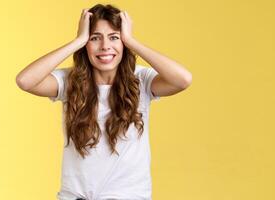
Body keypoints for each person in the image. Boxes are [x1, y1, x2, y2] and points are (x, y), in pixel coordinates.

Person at [16, 4, 192, 200]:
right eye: (95, 38)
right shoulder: (70, 81)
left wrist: (132, 41)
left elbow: (183, 79)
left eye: (114, 37)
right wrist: (78, 41)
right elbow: (25, 81)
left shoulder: (140, 80)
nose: (105, 46)